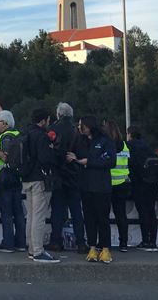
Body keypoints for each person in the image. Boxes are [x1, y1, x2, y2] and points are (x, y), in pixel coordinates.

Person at [68, 115, 115, 264]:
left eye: (82, 125)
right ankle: (92, 247)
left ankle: (105, 248)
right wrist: (74, 159)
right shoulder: (79, 140)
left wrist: (89, 162)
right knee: (89, 218)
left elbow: (110, 161)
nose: (79, 128)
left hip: (101, 186)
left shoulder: (105, 140)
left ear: (90, 126)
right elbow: (75, 158)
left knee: (103, 218)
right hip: (85, 185)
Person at [21, 108, 61, 263]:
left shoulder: (26, 133)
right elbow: (45, 158)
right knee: (39, 216)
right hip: (40, 179)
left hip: (27, 178)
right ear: (44, 120)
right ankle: (38, 251)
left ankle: (31, 248)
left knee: (31, 215)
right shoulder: (41, 136)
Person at [47, 102, 87, 254]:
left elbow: (49, 153)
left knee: (57, 211)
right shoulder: (77, 131)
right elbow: (83, 152)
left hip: (57, 175)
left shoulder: (52, 130)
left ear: (58, 114)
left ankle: (56, 241)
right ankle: (81, 243)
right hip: (74, 174)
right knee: (76, 211)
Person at [0, 99, 26, 254]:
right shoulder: (17, 134)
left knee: (7, 213)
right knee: (18, 213)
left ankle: (8, 244)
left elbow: (5, 157)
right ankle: (21, 243)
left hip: (5, 180)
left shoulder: (5, 137)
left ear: (4, 124)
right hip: (17, 178)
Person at [127, 126, 158, 252]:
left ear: (129, 134)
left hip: (139, 183)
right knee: (151, 211)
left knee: (143, 212)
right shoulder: (147, 146)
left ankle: (145, 240)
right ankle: (153, 241)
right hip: (152, 183)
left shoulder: (130, 146)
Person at [104, 120, 131, 252]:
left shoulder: (105, 145)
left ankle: (105, 243)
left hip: (107, 183)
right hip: (122, 183)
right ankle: (124, 243)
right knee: (121, 215)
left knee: (104, 215)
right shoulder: (125, 146)